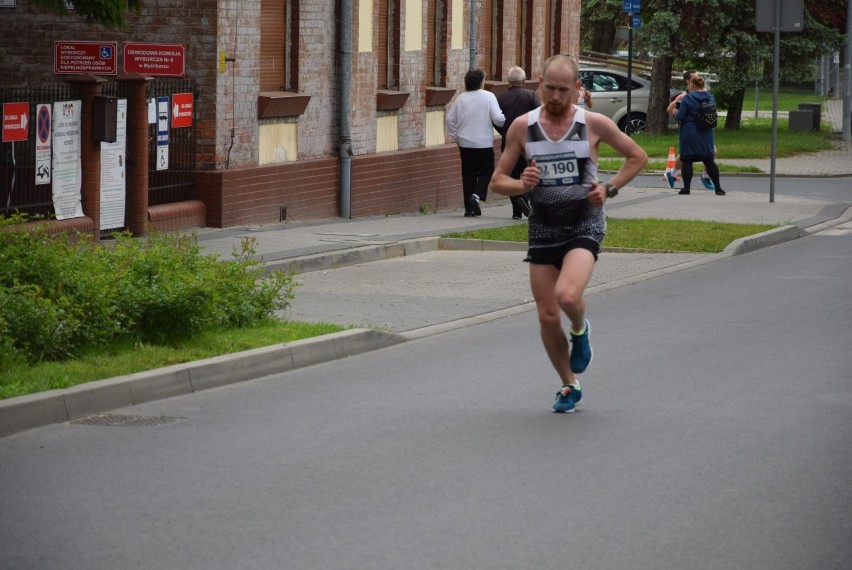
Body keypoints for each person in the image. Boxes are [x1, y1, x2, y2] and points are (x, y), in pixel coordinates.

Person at [489, 55, 647, 413]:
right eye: (550, 88)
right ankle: (569, 384)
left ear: (577, 88)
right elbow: (497, 181)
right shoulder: (522, 127)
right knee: (546, 316)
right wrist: (521, 183)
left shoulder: (593, 123)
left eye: (564, 89)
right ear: (540, 82)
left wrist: (609, 189)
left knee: (567, 294)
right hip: (543, 225)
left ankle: (579, 328)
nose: (556, 96)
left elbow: (637, 156)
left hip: (583, 221)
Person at [446, 68, 506, 217]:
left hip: (465, 143)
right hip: (483, 142)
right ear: (481, 82)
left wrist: (455, 137)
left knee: (468, 174)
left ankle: (468, 208)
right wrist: (506, 119)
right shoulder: (488, 96)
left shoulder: (461, 98)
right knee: (486, 171)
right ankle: (477, 195)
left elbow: (449, 119)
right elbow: (498, 119)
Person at [496, 66, 540, 219]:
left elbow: (497, 120)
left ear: (509, 81)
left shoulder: (501, 98)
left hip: (509, 144)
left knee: (513, 177)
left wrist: (504, 132)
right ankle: (526, 199)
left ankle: (516, 211)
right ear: (523, 81)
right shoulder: (531, 96)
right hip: (530, 144)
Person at [673, 75, 725, 196]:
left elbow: (680, 116)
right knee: (709, 161)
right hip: (706, 131)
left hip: (689, 132)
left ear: (692, 85)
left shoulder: (688, 98)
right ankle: (718, 188)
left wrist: (676, 112)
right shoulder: (710, 97)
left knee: (687, 161)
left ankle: (686, 188)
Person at [666, 70, 716, 190]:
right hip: (690, 129)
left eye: (698, 78)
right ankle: (674, 174)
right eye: (695, 78)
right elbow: (669, 109)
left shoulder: (704, 94)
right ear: (688, 82)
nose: (698, 80)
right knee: (687, 154)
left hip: (702, 127)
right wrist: (676, 111)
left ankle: (674, 174)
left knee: (708, 151)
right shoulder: (684, 95)